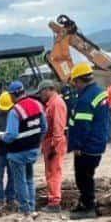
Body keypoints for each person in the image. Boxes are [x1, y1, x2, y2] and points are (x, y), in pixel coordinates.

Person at [67, 62, 109, 220]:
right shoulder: (99, 92)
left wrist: (77, 145)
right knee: (87, 175)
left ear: (79, 80)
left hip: (87, 146)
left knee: (83, 177)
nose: (75, 86)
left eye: (75, 82)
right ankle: (85, 202)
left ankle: (88, 207)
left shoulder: (85, 100)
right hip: (98, 141)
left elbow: (82, 126)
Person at [2, 80, 47, 215]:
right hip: (33, 150)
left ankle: (24, 209)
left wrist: (1, 137)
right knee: (29, 179)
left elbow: (11, 135)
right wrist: (37, 143)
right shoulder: (38, 105)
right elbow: (44, 128)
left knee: (20, 181)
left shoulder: (15, 111)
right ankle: (31, 207)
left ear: (12, 95)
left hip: (17, 152)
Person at [37, 79, 67, 213]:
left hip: (54, 144)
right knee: (50, 173)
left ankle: (55, 202)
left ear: (48, 89)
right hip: (49, 143)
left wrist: (54, 147)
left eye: (41, 92)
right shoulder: (51, 103)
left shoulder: (57, 104)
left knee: (54, 172)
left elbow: (58, 127)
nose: (40, 96)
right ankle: (52, 198)